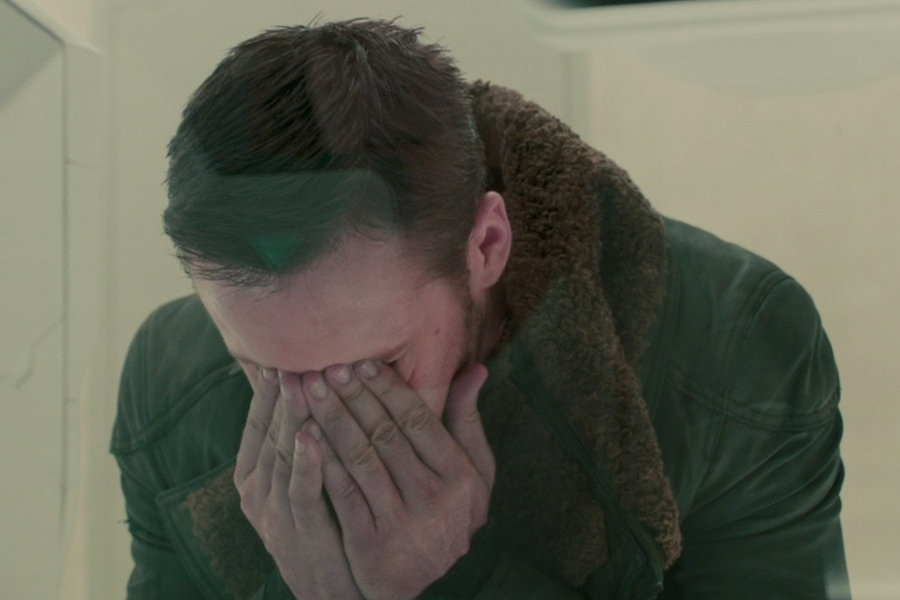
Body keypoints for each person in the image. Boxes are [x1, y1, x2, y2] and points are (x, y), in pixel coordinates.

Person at [110, 18, 851, 600]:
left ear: (487, 244)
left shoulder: (736, 351)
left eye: (373, 368)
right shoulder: (165, 387)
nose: (316, 430)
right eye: (265, 373)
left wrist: (459, 582)